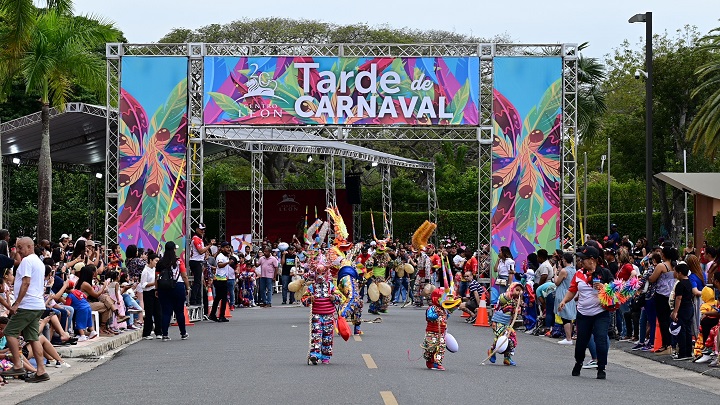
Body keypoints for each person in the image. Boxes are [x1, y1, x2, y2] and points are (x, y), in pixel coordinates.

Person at [0, 237, 49, 383]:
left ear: (29, 246)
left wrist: (16, 303)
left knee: (9, 332)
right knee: (33, 337)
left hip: (27, 305)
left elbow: (26, 283)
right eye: (16, 247)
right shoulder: (38, 261)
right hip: (37, 305)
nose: (18, 251)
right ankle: (41, 370)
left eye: (20, 248)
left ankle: (17, 364)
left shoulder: (27, 261)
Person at [558, 245, 611, 379]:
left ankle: (601, 367)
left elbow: (616, 290)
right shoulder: (579, 274)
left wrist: (604, 287)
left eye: (583, 259)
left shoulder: (604, 273)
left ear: (592, 260)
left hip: (601, 313)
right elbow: (572, 290)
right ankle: (579, 362)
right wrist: (564, 301)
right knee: (582, 342)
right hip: (583, 314)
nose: (581, 262)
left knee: (600, 339)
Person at [301, 265, 342, 365]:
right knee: (316, 334)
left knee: (327, 336)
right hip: (316, 315)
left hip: (328, 315)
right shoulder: (312, 287)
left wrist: (334, 297)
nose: (320, 276)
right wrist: (309, 299)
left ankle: (325, 356)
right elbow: (303, 299)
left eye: (322, 273)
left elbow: (340, 298)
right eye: (318, 273)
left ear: (327, 274)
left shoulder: (331, 286)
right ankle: (314, 355)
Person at [648, 246, 679, 355]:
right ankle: (673, 344)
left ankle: (666, 344)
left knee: (663, 320)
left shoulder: (661, 265)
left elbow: (652, 278)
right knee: (672, 319)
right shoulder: (676, 265)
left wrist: (647, 274)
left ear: (664, 255)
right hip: (672, 294)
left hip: (662, 294)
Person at [156, 242, 190, 341]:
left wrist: (156, 289)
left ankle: (165, 334)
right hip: (178, 286)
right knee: (179, 311)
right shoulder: (179, 261)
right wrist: (187, 287)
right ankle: (183, 333)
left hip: (163, 288)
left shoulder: (160, 262)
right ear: (174, 249)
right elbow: (184, 276)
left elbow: (156, 277)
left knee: (166, 312)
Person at [421, 288, 459, 370]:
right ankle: (429, 359)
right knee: (431, 347)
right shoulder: (432, 308)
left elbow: (447, 316)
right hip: (432, 332)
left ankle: (437, 362)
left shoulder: (444, 309)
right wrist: (437, 315)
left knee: (441, 347)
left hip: (441, 332)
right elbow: (429, 316)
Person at [487, 282, 524, 366]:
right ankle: (492, 350)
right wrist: (513, 296)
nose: (519, 292)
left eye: (520, 291)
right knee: (501, 336)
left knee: (512, 337)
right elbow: (505, 298)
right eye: (517, 290)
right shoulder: (504, 296)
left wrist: (517, 307)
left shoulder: (515, 301)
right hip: (498, 322)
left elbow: (515, 314)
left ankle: (507, 357)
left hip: (507, 323)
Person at [671, 262, 694, 361]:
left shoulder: (680, 284)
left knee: (682, 330)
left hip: (683, 308)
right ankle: (688, 352)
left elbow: (679, 298)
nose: (675, 274)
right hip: (690, 307)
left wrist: (675, 311)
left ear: (680, 273)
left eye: (676, 272)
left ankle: (682, 353)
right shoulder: (689, 282)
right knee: (688, 330)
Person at [555, 252, 577, 345]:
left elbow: (557, 282)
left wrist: (556, 273)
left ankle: (568, 338)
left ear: (564, 260)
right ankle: (569, 337)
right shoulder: (574, 270)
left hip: (563, 293)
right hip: (571, 293)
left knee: (565, 317)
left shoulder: (564, 271)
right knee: (569, 316)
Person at [140, 251, 162, 340]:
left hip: (155, 291)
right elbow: (143, 285)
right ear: (150, 260)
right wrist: (153, 283)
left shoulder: (155, 270)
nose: (157, 263)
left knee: (158, 312)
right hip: (148, 292)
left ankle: (159, 332)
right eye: (156, 261)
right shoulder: (145, 271)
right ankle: (146, 333)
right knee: (149, 313)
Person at [337, 265, 364, 335]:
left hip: (342, 280)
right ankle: (341, 323)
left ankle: (357, 328)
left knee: (358, 302)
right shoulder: (353, 267)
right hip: (347, 278)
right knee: (353, 299)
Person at [189, 223, 211, 306]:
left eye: (204, 229)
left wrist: (206, 253)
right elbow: (200, 251)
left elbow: (202, 252)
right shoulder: (195, 238)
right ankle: (193, 300)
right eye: (201, 229)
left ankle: (197, 300)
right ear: (197, 229)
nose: (203, 231)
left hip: (198, 261)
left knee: (199, 282)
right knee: (197, 282)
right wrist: (209, 245)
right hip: (195, 261)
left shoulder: (200, 238)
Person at [209, 242, 231, 322]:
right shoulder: (220, 256)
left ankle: (212, 314)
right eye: (226, 247)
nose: (228, 249)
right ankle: (221, 315)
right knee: (223, 298)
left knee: (218, 298)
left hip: (222, 279)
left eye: (229, 247)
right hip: (220, 279)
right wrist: (228, 262)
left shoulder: (225, 256)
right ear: (221, 248)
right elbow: (220, 265)